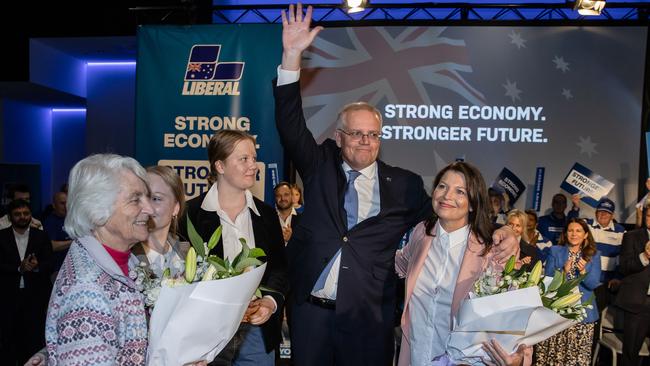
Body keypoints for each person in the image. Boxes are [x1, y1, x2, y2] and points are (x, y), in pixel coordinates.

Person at [273, 5, 519, 365]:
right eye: (356, 133)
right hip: (311, 314)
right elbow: (290, 123)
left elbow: (449, 216)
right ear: (339, 137)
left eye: (372, 134)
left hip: (368, 321)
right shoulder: (319, 164)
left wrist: (501, 231)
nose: (365, 141)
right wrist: (292, 56)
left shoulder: (402, 186)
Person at [395, 162, 532, 366]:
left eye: (460, 191)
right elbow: (399, 263)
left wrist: (520, 357)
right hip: (415, 355)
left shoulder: (491, 251)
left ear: (473, 203)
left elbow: (513, 314)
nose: (447, 196)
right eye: (442, 186)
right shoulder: (421, 233)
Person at [182, 130, 288, 365]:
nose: (254, 165)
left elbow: (280, 268)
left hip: (256, 333)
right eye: (244, 159)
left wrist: (269, 303)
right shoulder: (189, 215)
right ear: (219, 166)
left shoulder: (267, 215)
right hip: (205, 333)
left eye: (254, 158)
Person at [534, 218, 601, 366]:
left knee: (575, 358)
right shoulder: (555, 251)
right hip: (557, 313)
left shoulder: (594, 255)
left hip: (581, 316)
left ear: (585, 235)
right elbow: (548, 282)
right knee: (553, 357)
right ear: (565, 233)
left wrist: (583, 272)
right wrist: (563, 272)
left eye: (578, 231)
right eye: (570, 230)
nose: (574, 234)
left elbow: (593, 284)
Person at [0, 199, 53, 365]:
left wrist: (37, 267)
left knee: (33, 339)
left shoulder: (41, 236)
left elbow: (49, 263)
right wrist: (18, 268)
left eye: (26, 213)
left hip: (35, 297)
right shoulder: (1, 237)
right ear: (10, 217)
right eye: (17, 214)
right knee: (8, 341)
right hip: (8, 297)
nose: (22, 217)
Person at [568, 195, 625, 315]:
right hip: (584, 278)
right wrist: (576, 207)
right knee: (577, 312)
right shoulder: (586, 225)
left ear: (612, 215)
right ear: (595, 212)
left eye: (607, 213)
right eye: (601, 212)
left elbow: (622, 257)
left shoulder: (621, 231)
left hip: (605, 283)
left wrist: (618, 277)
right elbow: (571, 224)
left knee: (595, 314)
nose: (603, 215)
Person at [131, 166, 188, 277]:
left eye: (156, 199)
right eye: (140, 199)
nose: (146, 207)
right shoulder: (128, 255)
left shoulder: (187, 253)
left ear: (176, 208)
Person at [615, 203, 650, 366]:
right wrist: (644, 256)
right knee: (631, 354)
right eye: (649, 216)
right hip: (639, 304)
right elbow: (624, 267)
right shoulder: (632, 236)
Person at [42, 191, 72, 276]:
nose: (66, 206)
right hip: (58, 269)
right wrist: (74, 242)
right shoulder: (50, 222)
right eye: (62, 203)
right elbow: (51, 246)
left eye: (67, 203)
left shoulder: (72, 219)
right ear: (54, 205)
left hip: (73, 267)